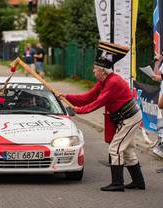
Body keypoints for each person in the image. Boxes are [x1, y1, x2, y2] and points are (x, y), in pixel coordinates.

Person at [59, 41, 145, 192]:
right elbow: (87, 97)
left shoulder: (113, 83)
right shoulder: (104, 81)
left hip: (129, 117)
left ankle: (117, 183)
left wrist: (78, 110)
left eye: (95, 69)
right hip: (126, 117)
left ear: (102, 71)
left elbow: (97, 103)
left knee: (115, 149)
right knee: (128, 150)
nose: (93, 72)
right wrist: (65, 96)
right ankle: (138, 182)